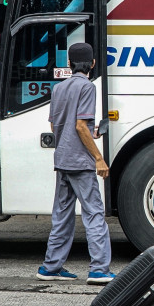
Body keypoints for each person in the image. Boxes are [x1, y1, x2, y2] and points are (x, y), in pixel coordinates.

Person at [36, 42, 115, 285]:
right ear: (92, 64)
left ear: (69, 64)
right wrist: (99, 158)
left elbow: (55, 125)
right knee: (94, 214)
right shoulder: (87, 87)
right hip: (81, 162)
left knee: (62, 215)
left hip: (62, 159)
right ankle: (100, 269)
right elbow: (81, 125)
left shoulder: (59, 88)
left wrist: (89, 133)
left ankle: (51, 267)